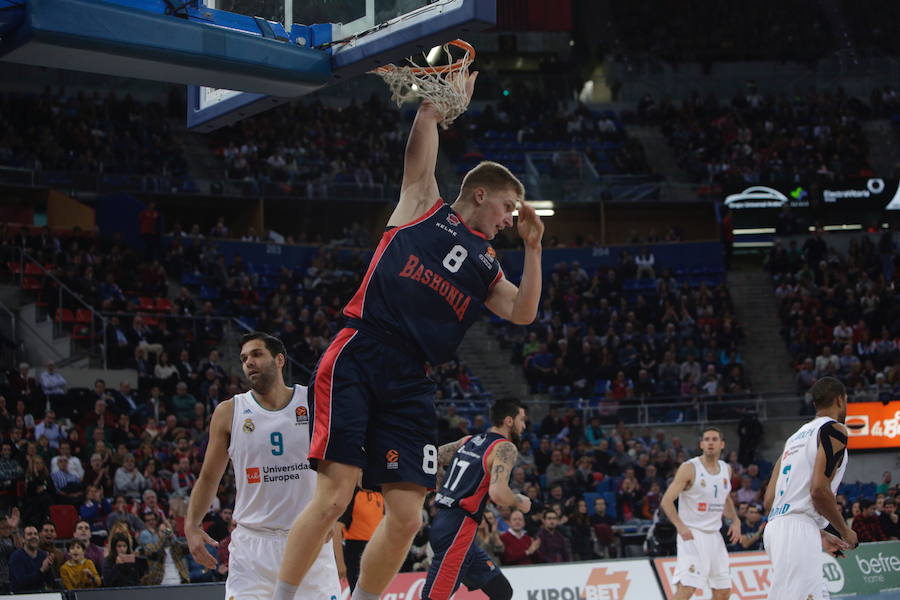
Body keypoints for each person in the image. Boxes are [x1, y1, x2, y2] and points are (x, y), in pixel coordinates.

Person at [275, 70, 544, 600]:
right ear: (481, 193)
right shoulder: (424, 205)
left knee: (404, 517)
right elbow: (422, 133)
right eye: (508, 207)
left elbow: (524, 313)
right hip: (362, 349)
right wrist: (442, 105)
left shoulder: (488, 266)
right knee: (336, 495)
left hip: (413, 380)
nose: (512, 218)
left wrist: (533, 250)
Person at [186, 333, 340, 600]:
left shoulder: (314, 402)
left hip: (308, 539)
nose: (249, 363)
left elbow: (338, 466)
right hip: (253, 547)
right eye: (244, 358)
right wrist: (191, 525)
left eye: (257, 354)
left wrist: (331, 515)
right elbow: (209, 477)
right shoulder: (228, 412)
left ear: (279, 359)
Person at [421, 398, 529, 600]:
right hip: (456, 530)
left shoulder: (469, 440)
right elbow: (498, 494)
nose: (524, 426)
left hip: (450, 526)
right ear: (508, 421)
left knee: (502, 591)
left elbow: (432, 457)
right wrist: (518, 501)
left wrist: (441, 485)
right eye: (522, 420)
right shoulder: (505, 448)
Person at [763, 377, 856, 600]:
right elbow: (818, 491)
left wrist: (818, 531)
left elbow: (768, 501)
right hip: (796, 531)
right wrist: (844, 531)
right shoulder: (834, 430)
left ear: (814, 404)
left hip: (778, 526)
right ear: (840, 400)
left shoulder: (793, 439)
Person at [660, 427, 741, 600]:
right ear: (701, 444)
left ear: (722, 444)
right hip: (692, 534)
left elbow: (725, 497)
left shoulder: (727, 469)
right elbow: (666, 500)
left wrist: (735, 520)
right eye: (707, 439)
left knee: (723, 592)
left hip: (715, 536)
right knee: (687, 588)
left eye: (714, 439)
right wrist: (680, 526)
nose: (710, 442)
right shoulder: (689, 468)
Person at [337, 484, 385, 592]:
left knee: (373, 593)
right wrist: (340, 562)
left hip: (375, 549)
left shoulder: (379, 495)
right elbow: (336, 529)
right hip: (355, 551)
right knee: (359, 593)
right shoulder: (353, 495)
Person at [8, 525, 53, 593]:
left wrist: (48, 567)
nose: (33, 537)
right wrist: (42, 570)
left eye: (35, 534)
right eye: (29, 534)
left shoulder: (43, 555)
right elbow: (21, 582)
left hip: (40, 595)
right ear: (23, 539)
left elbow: (50, 582)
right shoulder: (16, 557)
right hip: (20, 596)